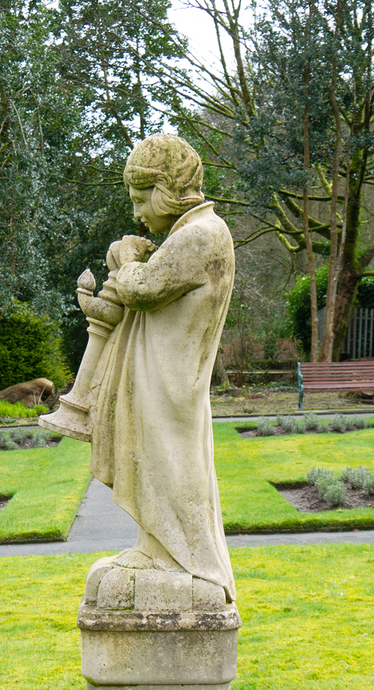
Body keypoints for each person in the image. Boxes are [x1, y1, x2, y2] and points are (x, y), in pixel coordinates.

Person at [88, 135, 236, 601]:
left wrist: (126, 260)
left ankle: (188, 560)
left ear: (163, 189)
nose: (137, 213)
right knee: (152, 457)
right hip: (161, 373)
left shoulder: (200, 235)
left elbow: (144, 289)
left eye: (139, 199)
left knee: (168, 459)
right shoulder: (189, 234)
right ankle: (157, 547)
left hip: (170, 380)